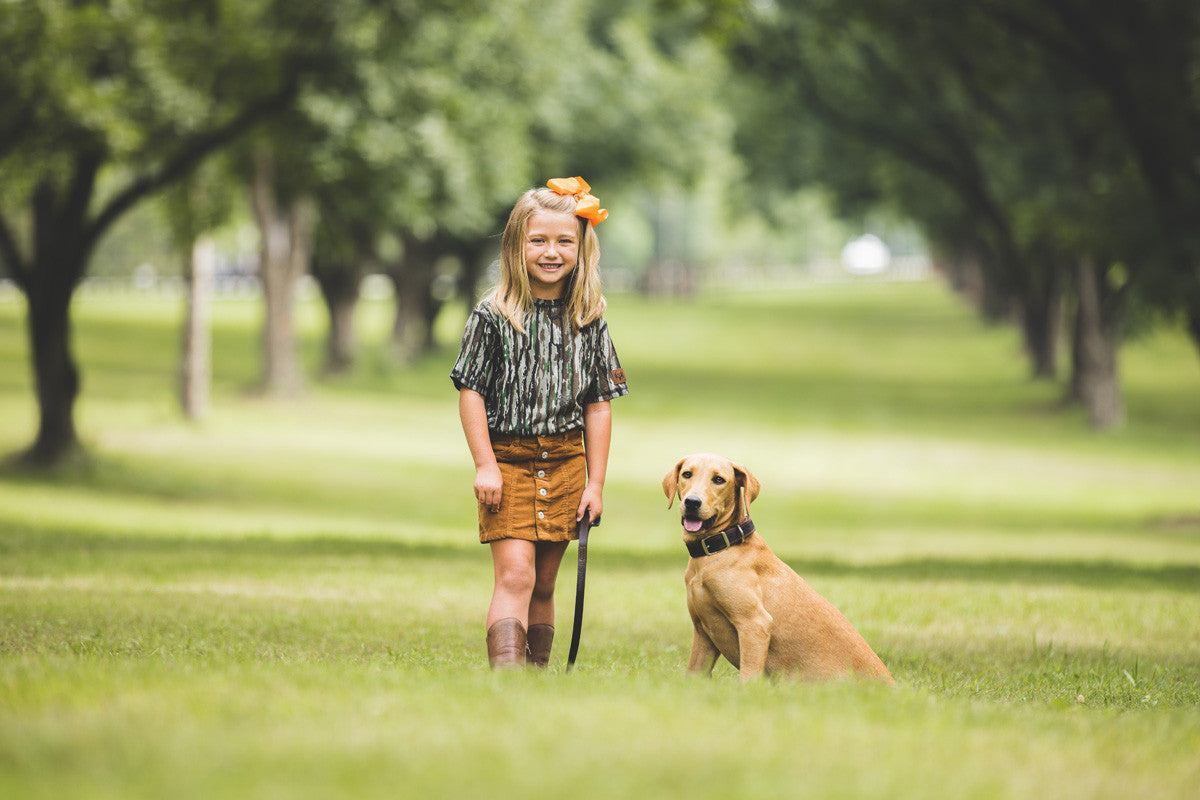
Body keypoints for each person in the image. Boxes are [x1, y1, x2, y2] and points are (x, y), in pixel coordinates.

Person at [451, 177, 629, 669]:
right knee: (516, 576)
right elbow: (471, 393)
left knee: (545, 583)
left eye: (564, 241)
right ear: (517, 245)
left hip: (566, 461)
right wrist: (485, 464)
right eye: (539, 240)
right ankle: (506, 680)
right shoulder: (492, 316)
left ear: (582, 248)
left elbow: (598, 405)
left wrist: (596, 483)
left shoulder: (589, 318)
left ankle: (534, 678)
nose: (552, 252)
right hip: (508, 462)